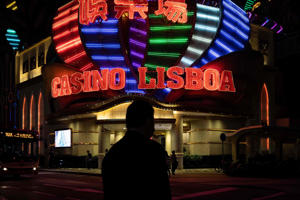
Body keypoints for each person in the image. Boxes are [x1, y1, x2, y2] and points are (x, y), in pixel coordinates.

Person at [102, 100, 171, 200]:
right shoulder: (154, 150)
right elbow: (162, 192)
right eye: (153, 119)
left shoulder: (111, 153)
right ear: (148, 121)